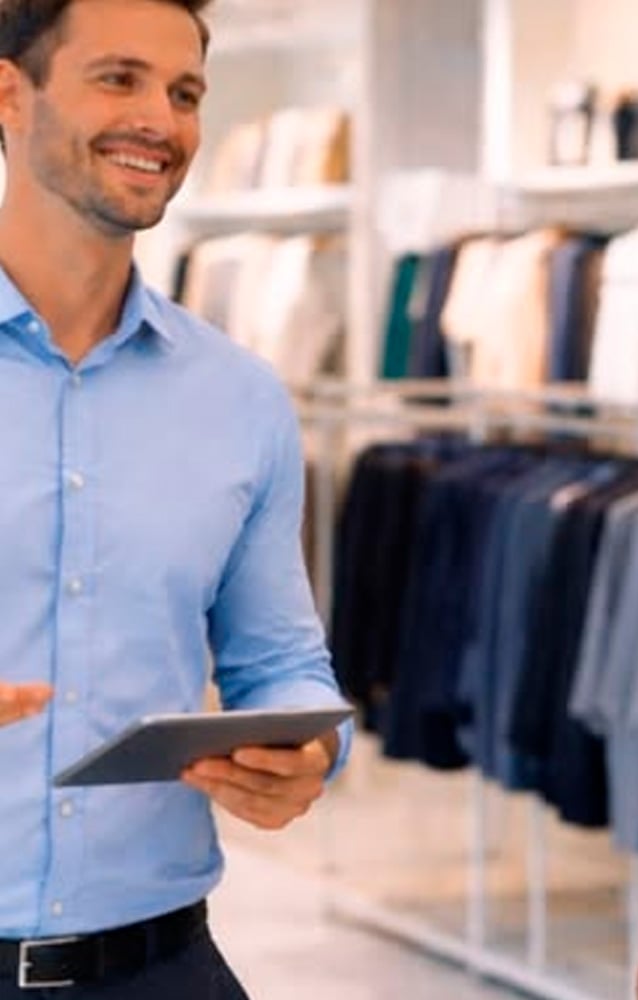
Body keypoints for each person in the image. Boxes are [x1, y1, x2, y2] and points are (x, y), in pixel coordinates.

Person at [0, 0, 353, 995]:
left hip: (163, 965)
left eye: (186, 92)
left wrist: (307, 749)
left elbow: (280, 663)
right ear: (10, 95)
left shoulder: (241, 399)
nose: (161, 119)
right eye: (119, 78)